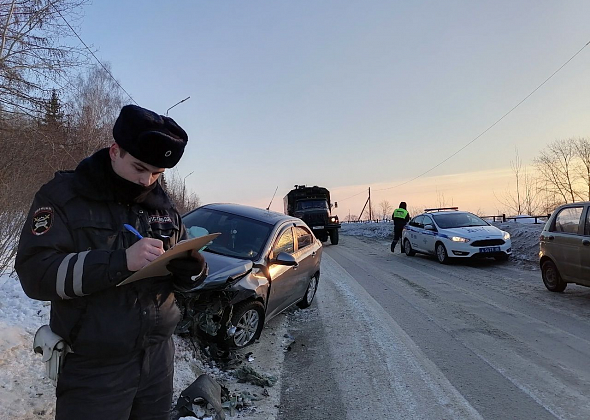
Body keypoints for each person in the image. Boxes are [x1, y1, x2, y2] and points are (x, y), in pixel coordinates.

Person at [15, 104, 207, 420]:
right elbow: (36, 274)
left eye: (158, 174)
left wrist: (194, 270)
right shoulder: (64, 196)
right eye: (140, 167)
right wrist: (118, 262)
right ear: (115, 150)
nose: (148, 182)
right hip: (95, 369)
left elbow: (187, 269)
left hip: (157, 360)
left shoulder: (164, 206)